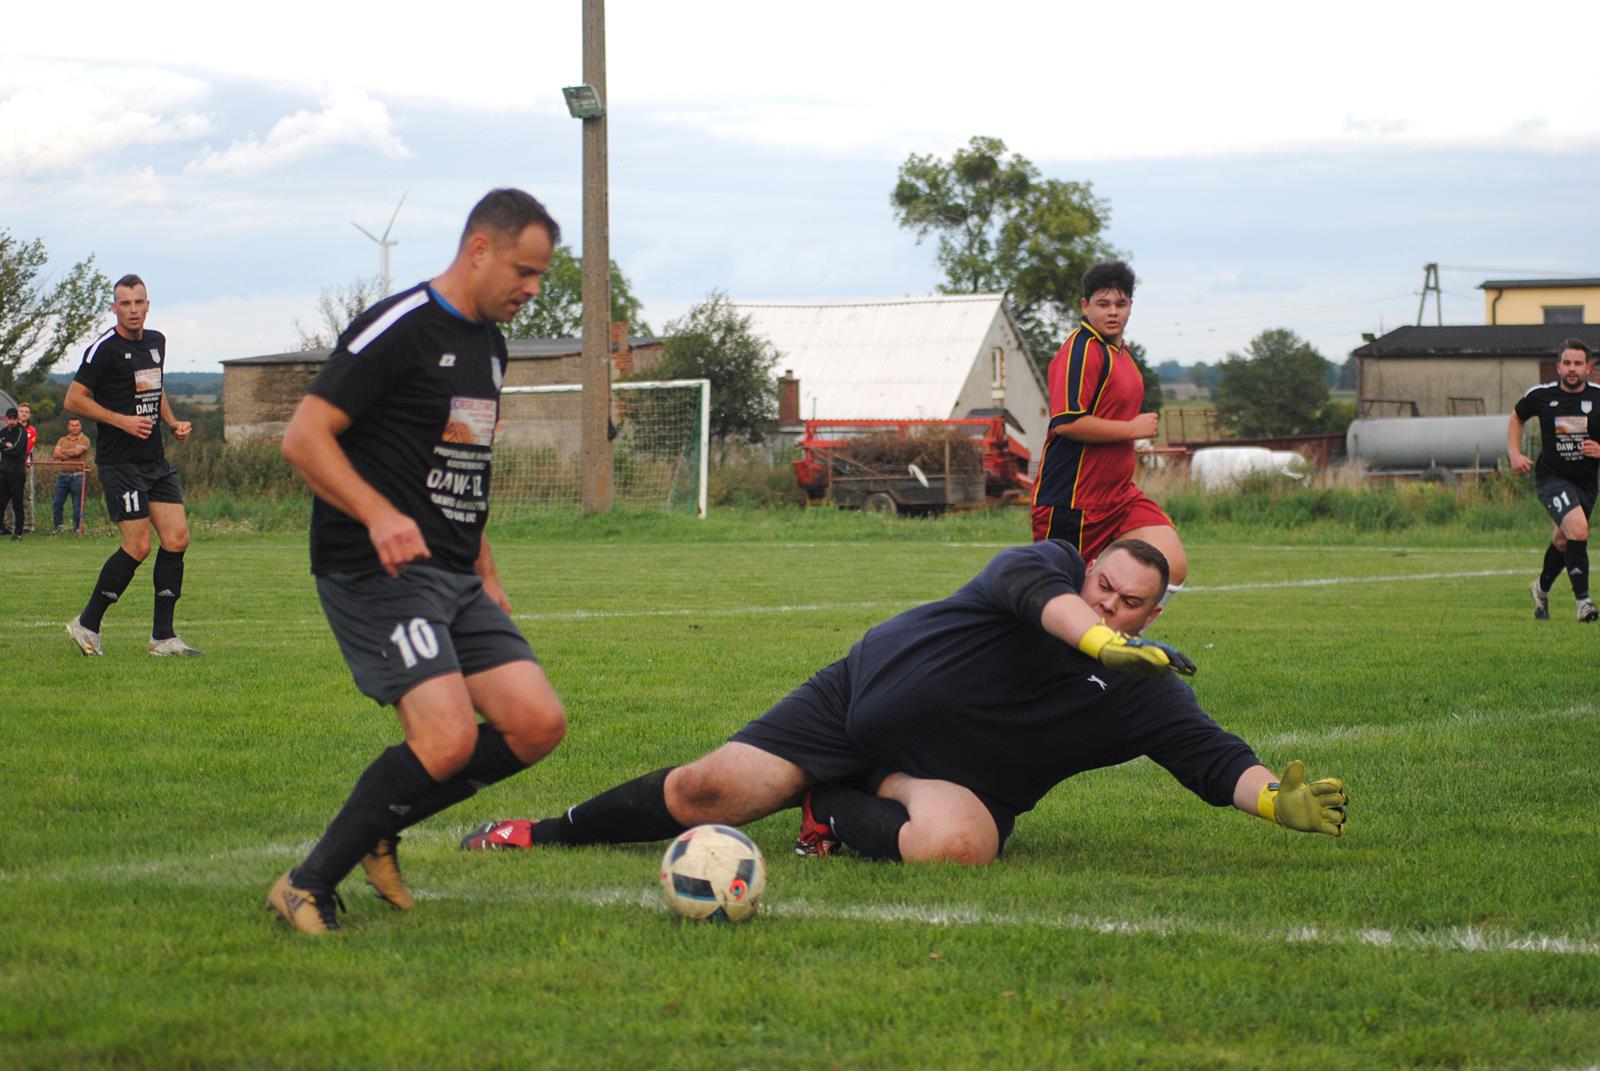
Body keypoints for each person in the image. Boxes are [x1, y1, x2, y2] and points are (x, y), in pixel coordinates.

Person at [462, 539, 1347, 866]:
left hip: (942, 781)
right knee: (704, 793)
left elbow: (1213, 756)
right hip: (851, 700)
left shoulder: (1139, 682)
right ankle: (539, 833)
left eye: (1131, 605)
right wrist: (1100, 635)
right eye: (1105, 589)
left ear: (1157, 613)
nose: (1112, 607)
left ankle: (833, 810)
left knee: (962, 847)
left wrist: (1273, 796)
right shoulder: (1042, 566)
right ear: (1089, 572)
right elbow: (1048, 604)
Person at [265, 188, 569, 936]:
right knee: (447, 738)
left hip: (456, 572)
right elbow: (304, 438)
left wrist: (487, 570)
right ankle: (306, 885)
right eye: (525, 272)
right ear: (479, 250)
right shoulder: (399, 327)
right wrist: (377, 514)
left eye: (540, 277)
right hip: (375, 567)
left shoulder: (490, 345)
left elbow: (466, 464)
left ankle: (381, 820)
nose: (532, 290)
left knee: (536, 723)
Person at [1031, 261, 1187, 598]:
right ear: (1084, 306)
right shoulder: (1081, 350)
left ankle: (1118, 645)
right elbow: (1067, 423)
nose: (1112, 312)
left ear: (1131, 305)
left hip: (1119, 496)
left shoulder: (1122, 355)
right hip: (1073, 503)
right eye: (1103, 304)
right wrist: (1132, 428)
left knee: (1171, 565)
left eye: (1121, 303)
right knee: (1059, 601)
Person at [63, 274, 200, 657]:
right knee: (137, 546)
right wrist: (120, 420)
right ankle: (87, 625)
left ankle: (163, 637)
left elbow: (153, 389)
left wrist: (172, 423)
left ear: (148, 305)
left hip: (154, 460)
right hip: (120, 462)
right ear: (114, 308)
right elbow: (73, 400)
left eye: (139, 302)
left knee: (177, 539)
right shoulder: (103, 349)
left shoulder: (156, 342)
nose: (133, 310)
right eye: (125, 304)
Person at [1509, 338, 1600, 622]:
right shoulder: (1540, 396)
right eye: (1567, 363)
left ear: (1588, 368)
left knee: (1564, 540)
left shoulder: (1598, 397)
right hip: (1552, 478)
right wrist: (1514, 453)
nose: (1572, 369)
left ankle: (1541, 589)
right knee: (1579, 530)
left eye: (1578, 364)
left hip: (1586, 483)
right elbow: (1516, 418)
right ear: (1558, 367)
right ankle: (1583, 603)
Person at [51, 417, 92, 532]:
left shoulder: (85, 439)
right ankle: (58, 528)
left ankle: (77, 529)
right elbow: (55, 454)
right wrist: (71, 453)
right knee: (57, 504)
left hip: (78, 476)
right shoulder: (62, 439)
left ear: (80, 426)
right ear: (68, 427)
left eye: (76, 425)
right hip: (63, 476)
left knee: (77, 506)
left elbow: (78, 452)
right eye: (72, 425)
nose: (74, 427)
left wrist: (63, 452)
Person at [0, 408, 26, 540]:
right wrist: (5, 444)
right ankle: (2, 528)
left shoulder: (22, 431)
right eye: (9, 418)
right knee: (1, 502)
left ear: (17, 419)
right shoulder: (3, 432)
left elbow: (16, 450)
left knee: (17, 503)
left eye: (14, 418)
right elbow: (7, 446)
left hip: (17, 473)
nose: (12, 421)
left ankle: (18, 532)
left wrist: (2, 449)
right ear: (6, 419)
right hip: (3, 472)